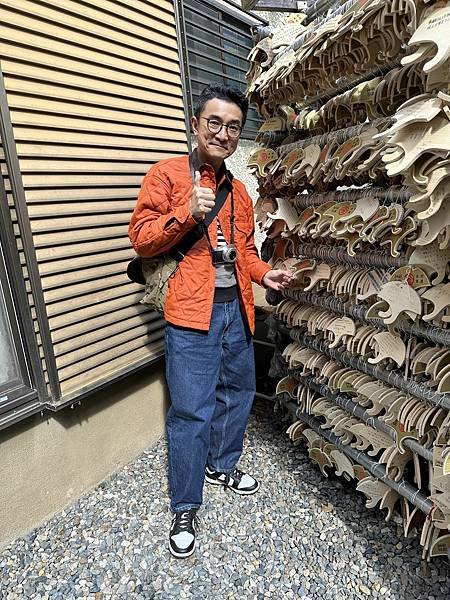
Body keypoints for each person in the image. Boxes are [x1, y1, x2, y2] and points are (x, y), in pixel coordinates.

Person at [128, 85, 292, 558]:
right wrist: (185, 212)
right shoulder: (167, 174)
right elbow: (140, 239)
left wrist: (266, 275)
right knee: (191, 409)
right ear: (196, 125)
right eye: (214, 123)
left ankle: (221, 463)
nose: (223, 133)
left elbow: (244, 252)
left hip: (236, 309)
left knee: (237, 391)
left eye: (233, 127)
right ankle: (184, 504)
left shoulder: (239, 191)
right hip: (190, 311)